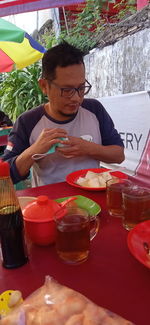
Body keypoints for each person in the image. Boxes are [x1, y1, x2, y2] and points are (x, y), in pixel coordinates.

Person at [2, 41, 124, 187]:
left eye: (81, 88)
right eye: (67, 90)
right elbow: (6, 174)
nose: (76, 98)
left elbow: (119, 155)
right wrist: (33, 151)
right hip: (50, 204)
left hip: (93, 202)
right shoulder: (27, 121)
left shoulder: (94, 109)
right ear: (44, 86)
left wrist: (88, 148)